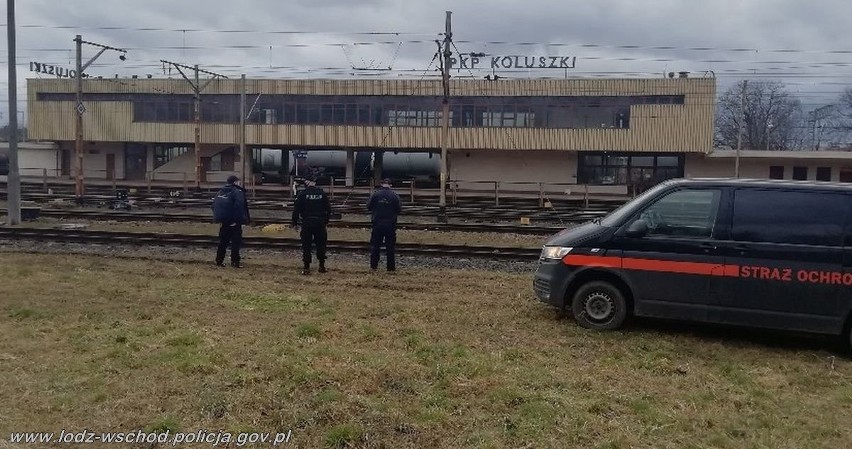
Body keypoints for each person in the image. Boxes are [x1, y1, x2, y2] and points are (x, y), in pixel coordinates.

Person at [291, 173, 331, 275]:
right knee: (321, 245)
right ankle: (321, 266)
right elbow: (328, 209)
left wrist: (294, 223)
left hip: (307, 222)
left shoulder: (302, 194)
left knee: (306, 245)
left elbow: (296, 210)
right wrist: (325, 221)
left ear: (307, 182)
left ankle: (306, 268)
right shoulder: (322, 194)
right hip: (319, 222)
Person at [212, 174, 250, 268]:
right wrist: (239, 220)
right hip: (234, 222)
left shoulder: (221, 191)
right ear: (235, 182)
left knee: (223, 242)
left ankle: (219, 261)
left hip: (224, 222)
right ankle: (235, 262)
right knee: (235, 242)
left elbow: (213, 206)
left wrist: (223, 218)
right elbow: (239, 206)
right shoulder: (237, 192)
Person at [367, 178, 402, 273]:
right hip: (390, 225)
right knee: (390, 247)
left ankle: (373, 267)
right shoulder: (395, 196)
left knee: (375, 246)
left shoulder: (375, 194)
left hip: (377, 224)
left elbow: (368, 207)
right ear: (391, 185)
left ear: (382, 184)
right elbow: (399, 210)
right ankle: (390, 268)